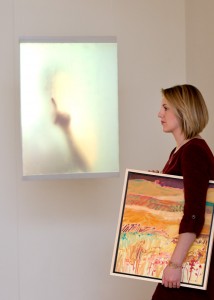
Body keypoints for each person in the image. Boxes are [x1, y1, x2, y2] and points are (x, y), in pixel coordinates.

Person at [151, 84, 214, 300]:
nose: (160, 114)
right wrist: (158, 183)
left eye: (165, 108)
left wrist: (175, 264)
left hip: (191, 258)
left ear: (183, 110)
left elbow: (194, 212)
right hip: (188, 255)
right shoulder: (180, 151)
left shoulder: (193, 151)